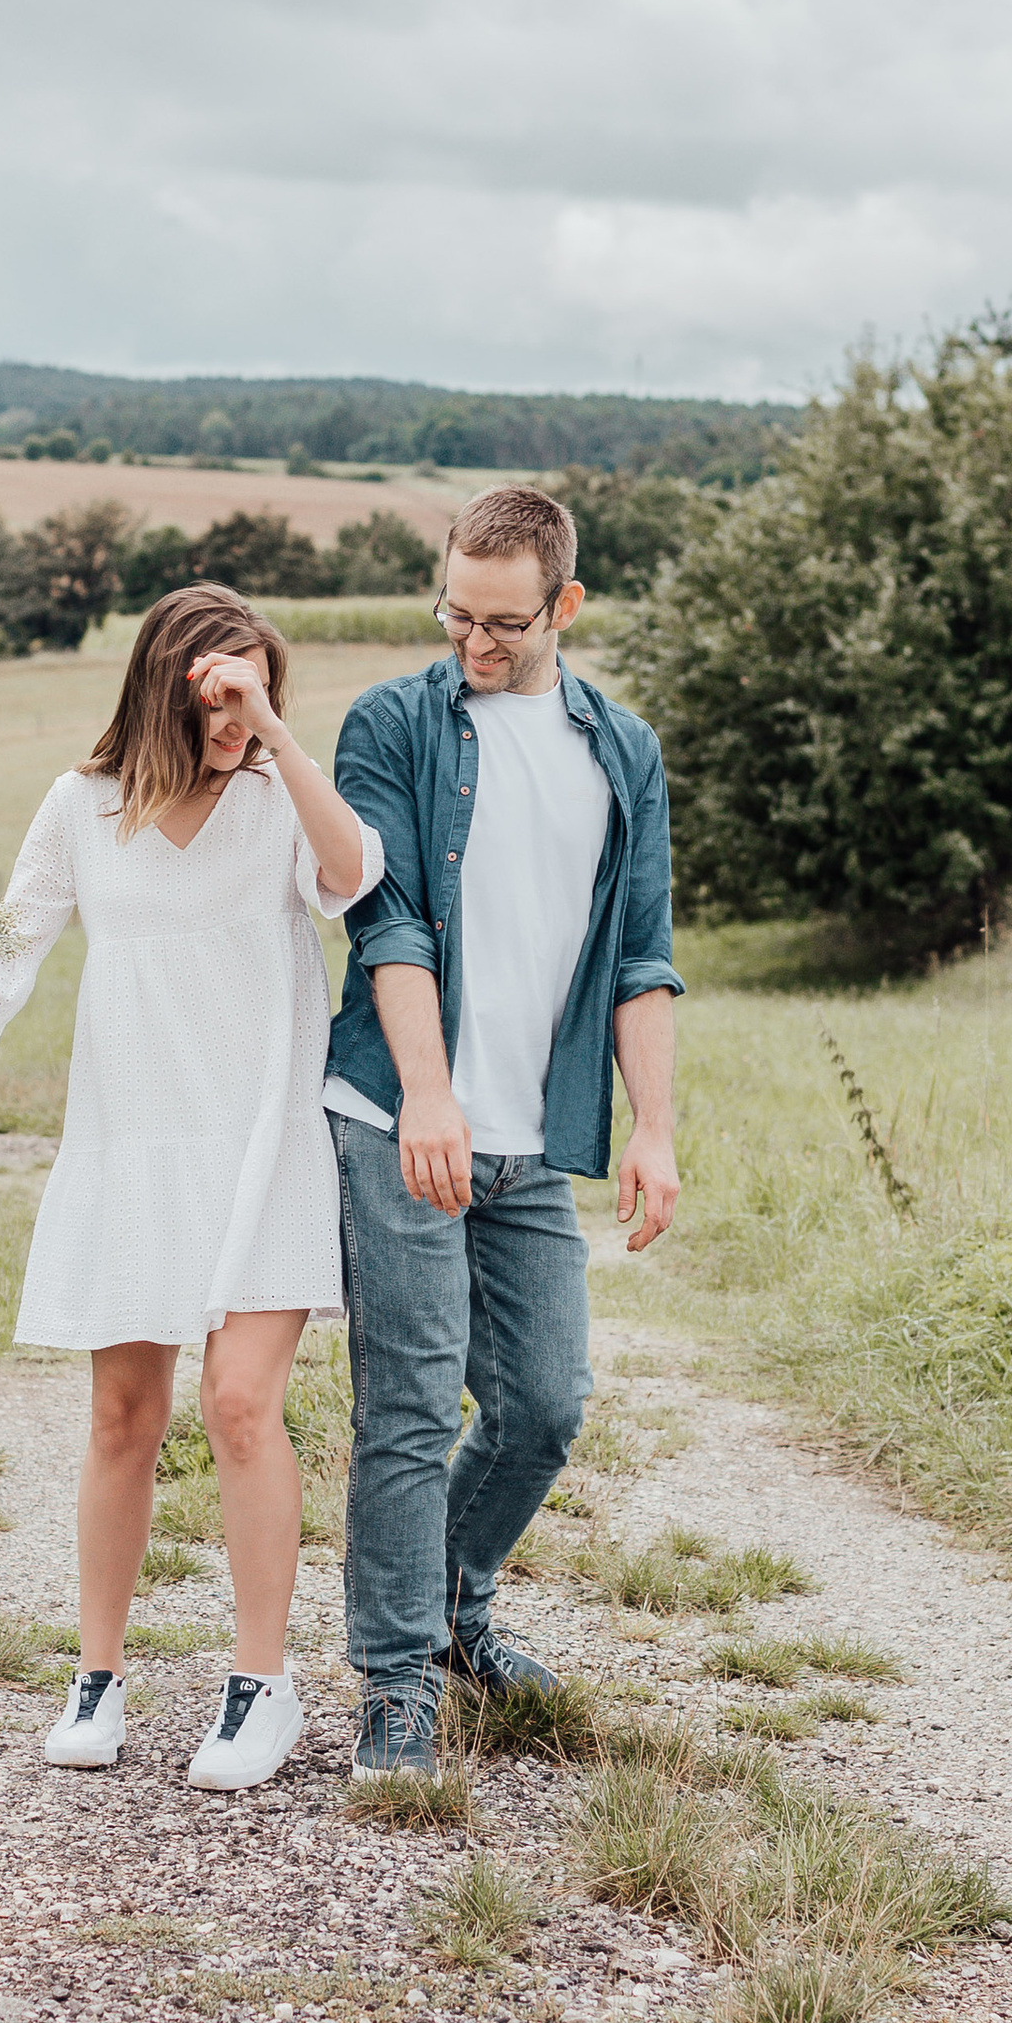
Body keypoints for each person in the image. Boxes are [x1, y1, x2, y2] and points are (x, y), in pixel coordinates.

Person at [0, 582, 382, 1793]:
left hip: (261, 1147)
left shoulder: (276, 798)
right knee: (122, 1418)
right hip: (134, 1147)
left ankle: (262, 1687)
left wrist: (269, 731)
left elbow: (354, 870)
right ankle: (98, 1679)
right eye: (219, 691)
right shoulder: (81, 805)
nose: (236, 712)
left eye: (257, 689)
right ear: (165, 684)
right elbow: (0, 971)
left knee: (238, 1406)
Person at [322, 482, 681, 1776]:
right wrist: (429, 1089)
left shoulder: (621, 750)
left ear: (564, 605)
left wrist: (654, 1129)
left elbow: (645, 955)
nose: (473, 643)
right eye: (455, 614)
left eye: (503, 624)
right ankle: (399, 1676)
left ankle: (457, 1600)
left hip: (535, 1134)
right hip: (394, 1111)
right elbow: (392, 920)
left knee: (542, 1402)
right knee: (411, 1402)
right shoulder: (393, 725)